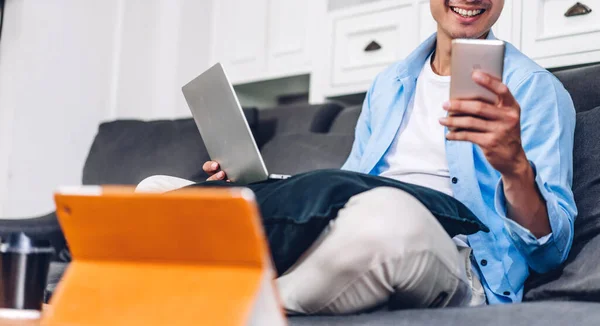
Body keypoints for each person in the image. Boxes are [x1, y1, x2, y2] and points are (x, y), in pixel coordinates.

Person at [137, 0, 577, 315]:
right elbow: (349, 183)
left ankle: (236, 304)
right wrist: (263, 186)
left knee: (385, 215)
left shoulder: (534, 90)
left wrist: (515, 168)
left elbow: (551, 252)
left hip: (451, 257)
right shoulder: (390, 83)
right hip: (356, 223)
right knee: (156, 191)